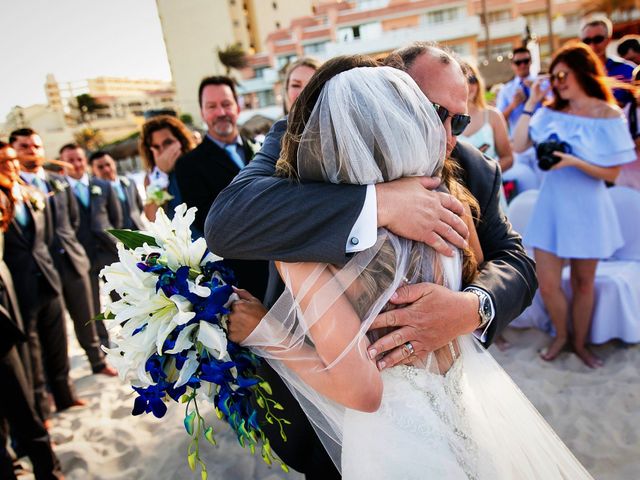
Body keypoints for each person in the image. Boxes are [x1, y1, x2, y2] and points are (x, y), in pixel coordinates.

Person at [229, 60, 591, 479]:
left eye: (461, 120)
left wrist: (266, 333)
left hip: (392, 441)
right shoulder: (449, 207)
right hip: (454, 422)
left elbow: (364, 391)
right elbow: (228, 220)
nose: (448, 137)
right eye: (436, 115)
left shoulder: (299, 245)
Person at [513, 42, 636, 368]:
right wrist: (533, 102)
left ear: (583, 71)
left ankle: (580, 344)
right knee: (549, 284)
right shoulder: (549, 112)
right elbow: (518, 143)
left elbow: (611, 172)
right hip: (552, 206)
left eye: (563, 74)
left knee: (584, 284)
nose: (558, 81)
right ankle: (562, 336)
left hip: (589, 208)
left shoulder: (608, 114)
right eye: (554, 76)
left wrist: (572, 161)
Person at [10, 129, 115, 377]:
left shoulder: (58, 182)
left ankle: (98, 361)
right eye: (24, 146)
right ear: (13, 151)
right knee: (47, 326)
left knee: (86, 314)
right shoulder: (14, 187)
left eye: (36, 146)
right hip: (39, 267)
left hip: (72, 258)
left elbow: (73, 220)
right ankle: (53, 378)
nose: (32, 151)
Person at [0, 142, 64, 480]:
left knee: (49, 348)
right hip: (13, 291)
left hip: (33, 282)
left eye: (12, 160)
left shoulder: (26, 193)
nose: (10, 166)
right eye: (3, 162)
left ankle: (46, 463)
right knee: (24, 367)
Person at [175, 75, 268, 300]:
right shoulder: (189, 165)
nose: (221, 112)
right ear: (202, 112)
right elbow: (208, 222)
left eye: (226, 104)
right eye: (212, 106)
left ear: (237, 106)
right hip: (241, 280)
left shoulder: (264, 150)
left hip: (286, 270)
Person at [61, 144, 122, 346]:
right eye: (70, 160)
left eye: (79, 159)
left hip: (107, 252)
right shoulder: (59, 191)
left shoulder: (103, 186)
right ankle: (101, 348)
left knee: (122, 299)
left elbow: (116, 218)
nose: (76, 164)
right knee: (90, 307)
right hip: (80, 257)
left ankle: (133, 337)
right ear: (63, 163)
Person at [496, 47, 543, 193]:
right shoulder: (506, 90)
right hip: (519, 147)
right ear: (513, 65)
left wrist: (539, 97)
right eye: (518, 62)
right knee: (527, 189)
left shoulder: (542, 84)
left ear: (531, 62)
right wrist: (513, 105)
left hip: (540, 143)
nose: (522, 65)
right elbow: (500, 118)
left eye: (526, 61)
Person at [138, 115, 195, 221]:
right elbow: (153, 218)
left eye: (168, 143)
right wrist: (161, 176)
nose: (163, 150)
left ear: (180, 141)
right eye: (156, 147)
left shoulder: (198, 163)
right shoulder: (152, 178)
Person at [458, 62, 512, 172]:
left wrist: (485, 173)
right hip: (458, 188)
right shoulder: (447, 118)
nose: (469, 85)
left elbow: (508, 158)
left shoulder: (493, 115)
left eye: (472, 79)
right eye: (463, 80)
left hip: (490, 186)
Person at [581, 15, 635, 106]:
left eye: (598, 39)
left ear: (608, 40)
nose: (592, 45)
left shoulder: (628, 70)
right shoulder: (576, 74)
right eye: (587, 40)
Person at [89, 151, 144, 230]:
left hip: (140, 231)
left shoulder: (130, 182)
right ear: (93, 170)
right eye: (100, 167)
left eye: (108, 164)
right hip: (118, 238)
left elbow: (139, 206)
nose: (106, 169)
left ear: (114, 163)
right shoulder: (93, 191)